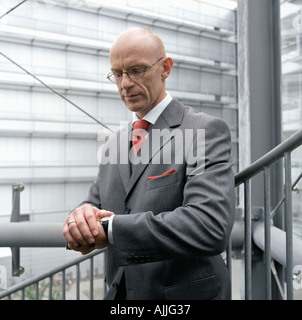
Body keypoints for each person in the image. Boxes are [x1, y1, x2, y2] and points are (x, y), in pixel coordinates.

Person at [63, 27, 235, 300]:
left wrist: (113, 229)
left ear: (165, 68)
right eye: (117, 74)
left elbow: (208, 225)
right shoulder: (114, 145)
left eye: (136, 70)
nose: (125, 84)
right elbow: (95, 204)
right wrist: (80, 217)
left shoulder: (204, 131)